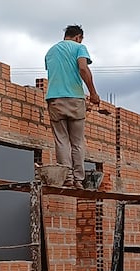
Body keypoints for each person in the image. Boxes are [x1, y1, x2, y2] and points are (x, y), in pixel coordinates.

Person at [44, 24, 100, 189]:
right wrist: (93, 93)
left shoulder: (50, 51)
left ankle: (67, 178)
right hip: (75, 98)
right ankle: (78, 180)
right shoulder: (79, 47)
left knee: (61, 141)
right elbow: (83, 68)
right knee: (77, 142)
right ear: (78, 37)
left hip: (54, 99)